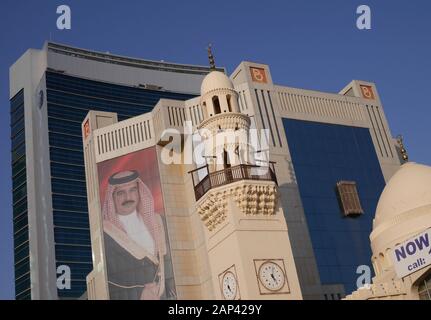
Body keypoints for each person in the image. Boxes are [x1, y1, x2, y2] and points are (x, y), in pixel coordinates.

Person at [101, 170, 172, 300]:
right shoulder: (105, 234)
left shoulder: (158, 222)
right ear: (112, 197)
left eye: (132, 190)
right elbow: (105, 281)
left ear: (139, 193)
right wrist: (139, 293)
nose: (128, 197)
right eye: (121, 193)